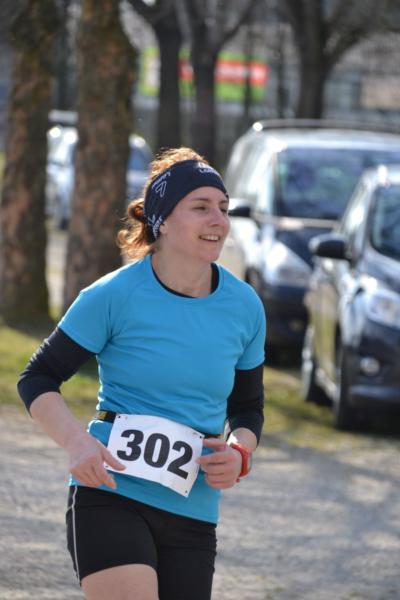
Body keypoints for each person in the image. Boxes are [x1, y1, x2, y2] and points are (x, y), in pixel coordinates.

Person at [17, 147, 266, 600]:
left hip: (194, 510)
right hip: (111, 493)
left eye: (223, 208)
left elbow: (247, 408)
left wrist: (239, 452)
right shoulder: (113, 295)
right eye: (201, 207)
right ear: (162, 221)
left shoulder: (245, 306)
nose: (218, 220)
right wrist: (77, 443)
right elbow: (37, 377)